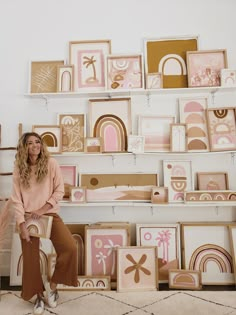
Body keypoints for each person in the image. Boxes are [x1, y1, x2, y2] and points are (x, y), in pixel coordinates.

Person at [11, 132, 78, 315]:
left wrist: (40, 211)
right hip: (27, 218)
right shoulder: (19, 168)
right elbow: (16, 199)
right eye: (30, 143)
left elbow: (59, 191)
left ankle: (53, 286)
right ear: (24, 147)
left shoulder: (51, 164)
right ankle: (38, 296)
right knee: (31, 260)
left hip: (48, 214)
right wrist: (22, 224)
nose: (35, 145)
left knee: (70, 247)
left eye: (38, 142)